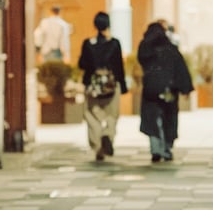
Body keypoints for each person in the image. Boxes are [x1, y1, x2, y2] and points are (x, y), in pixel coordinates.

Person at [137, 21, 194, 163]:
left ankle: (156, 148)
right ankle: (167, 148)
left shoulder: (144, 50)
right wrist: (185, 88)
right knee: (168, 118)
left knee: (152, 119)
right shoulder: (171, 49)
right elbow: (180, 69)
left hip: (150, 91)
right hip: (169, 90)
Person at [78, 11, 127, 161]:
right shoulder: (114, 43)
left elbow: (82, 64)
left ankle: (98, 143)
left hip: (92, 86)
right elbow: (119, 66)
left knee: (90, 114)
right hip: (111, 85)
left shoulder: (88, 44)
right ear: (108, 25)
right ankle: (107, 134)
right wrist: (123, 86)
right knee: (112, 114)